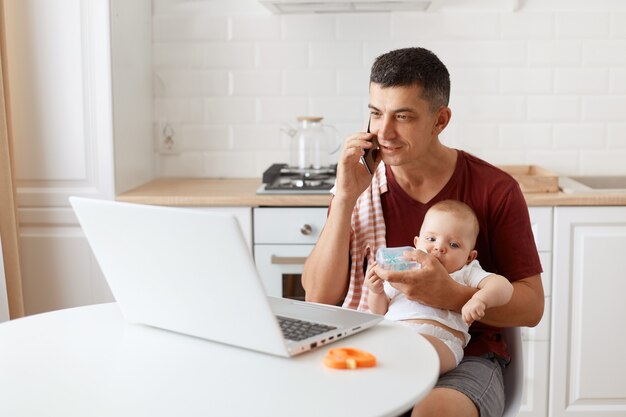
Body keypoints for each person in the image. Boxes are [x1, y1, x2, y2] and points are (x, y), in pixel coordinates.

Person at [301, 47, 544, 417]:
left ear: (439, 120)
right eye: (376, 114)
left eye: (402, 116)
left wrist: (454, 295)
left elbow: (532, 308)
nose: (384, 132)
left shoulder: (494, 189)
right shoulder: (359, 184)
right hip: (380, 345)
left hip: (465, 359)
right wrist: (347, 197)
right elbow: (318, 294)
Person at [366, 200, 514, 375]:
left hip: (441, 342)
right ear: (416, 243)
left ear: (469, 257)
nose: (439, 248)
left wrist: (479, 299)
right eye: (431, 239)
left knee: (418, 351)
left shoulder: (466, 271)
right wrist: (376, 291)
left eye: (454, 245)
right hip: (395, 335)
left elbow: (504, 287)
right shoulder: (406, 269)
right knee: (371, 346)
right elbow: (379, 311)